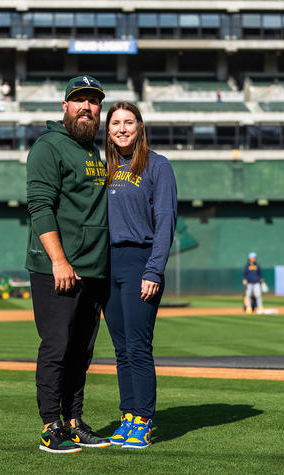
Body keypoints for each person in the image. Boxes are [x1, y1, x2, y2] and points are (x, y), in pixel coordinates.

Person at [26, 75, 111, 453]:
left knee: (82, 351)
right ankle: (50, 427)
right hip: (57, 270)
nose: (87, 108)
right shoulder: (49, 147)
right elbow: (40, 207)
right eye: (79, 101)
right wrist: (59, 260)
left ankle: (74, 421)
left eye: (93, 102)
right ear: (65, 106)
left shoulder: (95, 151)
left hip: (92, 270)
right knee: (57, 347)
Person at [103, 101, 177, 450]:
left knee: (138, 346)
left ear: (140, 127)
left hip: (140, 262)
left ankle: (144, 422)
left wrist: (154, 269)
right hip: (108, 265)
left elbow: (165, 223)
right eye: (115, 123)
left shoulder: (157, 166)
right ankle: (128, 417)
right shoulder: (105, 168)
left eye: (128, 122)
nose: (121, 128)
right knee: (120, 349)